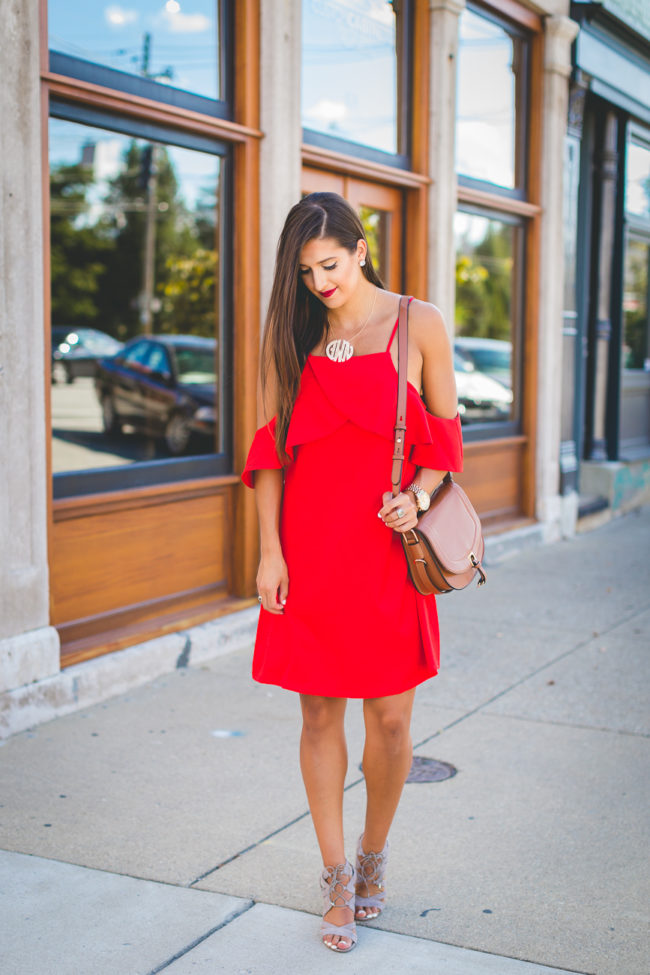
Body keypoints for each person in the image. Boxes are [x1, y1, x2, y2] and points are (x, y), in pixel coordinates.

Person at [241, 192, 462, 952]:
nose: (319, 283)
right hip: (310, 550)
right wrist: (270, 550)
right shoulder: (293, 336)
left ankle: (374, 855)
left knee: (393, 718)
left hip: (385, 553)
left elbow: (446, 442)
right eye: (305, 272)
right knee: (318, 715)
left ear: (362, 249)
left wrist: (418, 494)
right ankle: (337, 880)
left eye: (329, 265)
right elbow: (269, 455)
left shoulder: (418, 322)